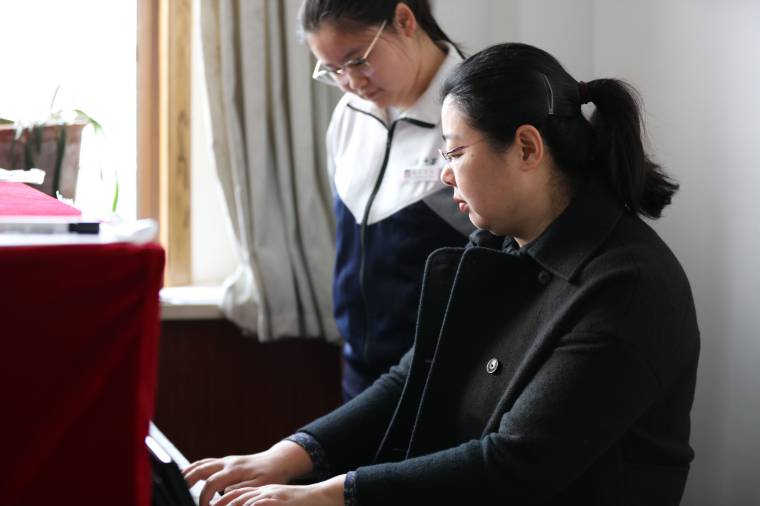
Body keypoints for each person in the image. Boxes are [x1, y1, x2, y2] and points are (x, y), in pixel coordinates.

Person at [184, 42, 700, 506]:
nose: (445, 173)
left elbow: (514, 466)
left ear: (527, 148)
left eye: (454, 152)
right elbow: (413, 376)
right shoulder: (498, 246)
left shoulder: (628, 288)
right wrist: (289, 454)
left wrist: (331, 493)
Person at [302, 0, 475, 402]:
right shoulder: (350, 114)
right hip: (359, 369)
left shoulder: (474, 114)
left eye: (358, 60)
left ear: (404, 20)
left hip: (446, 376)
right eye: (333, 70)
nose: (350, 82)